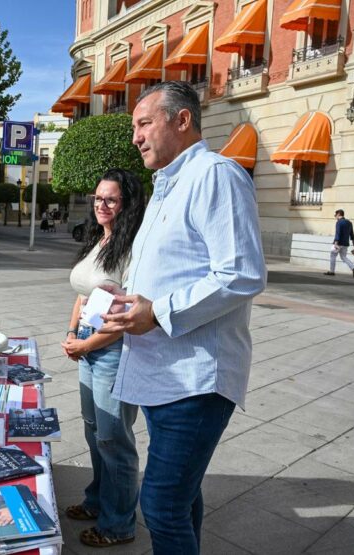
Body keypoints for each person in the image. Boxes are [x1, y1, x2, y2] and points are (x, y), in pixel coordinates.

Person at [100, 81, 266, 554]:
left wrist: (158, 311)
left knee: (160, 504)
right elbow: (176, 269)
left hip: (195, 378)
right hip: (163, 372)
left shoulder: (216, 175)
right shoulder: (166, 186)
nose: (135, 136)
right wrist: (130, 297)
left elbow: (241, 273)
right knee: (181, 495)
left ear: (182, 120)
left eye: (143, 123)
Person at [60, 169, 145, 548]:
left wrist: (87, 344)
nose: (101, 205)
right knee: (95, 433)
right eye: (98, 198)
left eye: (110, 199)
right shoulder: (100, 241)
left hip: (111, 350)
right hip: (87, 344)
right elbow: (82, 295)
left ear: (126, 204)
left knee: (115, 439)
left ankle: (119, 524)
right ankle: (97, 501)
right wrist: (71, 333)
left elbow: (127, 318)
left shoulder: (133, 250)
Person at [325, 209, 354, 277]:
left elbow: (338, 233)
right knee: (343, 257)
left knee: (333, 256)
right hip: (345, 243)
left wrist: (336, 243)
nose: (335, 217)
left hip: (338, 243)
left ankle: (332, 271)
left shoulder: (339, 222)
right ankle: (353, 268)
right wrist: (353, 241)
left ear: (339, 214)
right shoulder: (349, 222)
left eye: (335, 215)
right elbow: (351, 233)